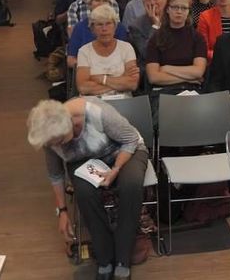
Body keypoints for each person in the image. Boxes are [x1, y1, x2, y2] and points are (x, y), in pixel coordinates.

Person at [27, 97, 149, 280]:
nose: (57, 146)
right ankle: (105, 259)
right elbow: (56, 174)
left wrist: (115, 169)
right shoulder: (50, 137)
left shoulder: (98, 113)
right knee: (84, 192)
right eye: (52, 144)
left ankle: (123, 258)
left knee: (130, 185)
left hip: (125, 150)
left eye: (59, 141)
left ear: (68, 124)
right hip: (84, 159)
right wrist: (62, 212)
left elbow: (131, 139)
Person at [144, 0, 207, 94]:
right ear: (168, 9)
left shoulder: (197, 38)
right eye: (175, 7)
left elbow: (198, 72)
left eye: (184, 8)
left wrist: (166, 68)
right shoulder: (156, 38)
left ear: (188, 11)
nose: (179, 11)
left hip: (191, 91)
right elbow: (153, 77)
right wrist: (189, 78)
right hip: (163, 91)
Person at [75, 5, 140, 99]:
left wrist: (101, 79)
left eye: (108, 23)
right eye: (99, 24)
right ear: (92, 29)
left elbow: (132, 84)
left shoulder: (126, 48)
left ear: (115, 26)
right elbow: (83, 87)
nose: (104, 29)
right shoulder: (84, 51)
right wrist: (121, 79)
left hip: (122, 101)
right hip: (93, 102)